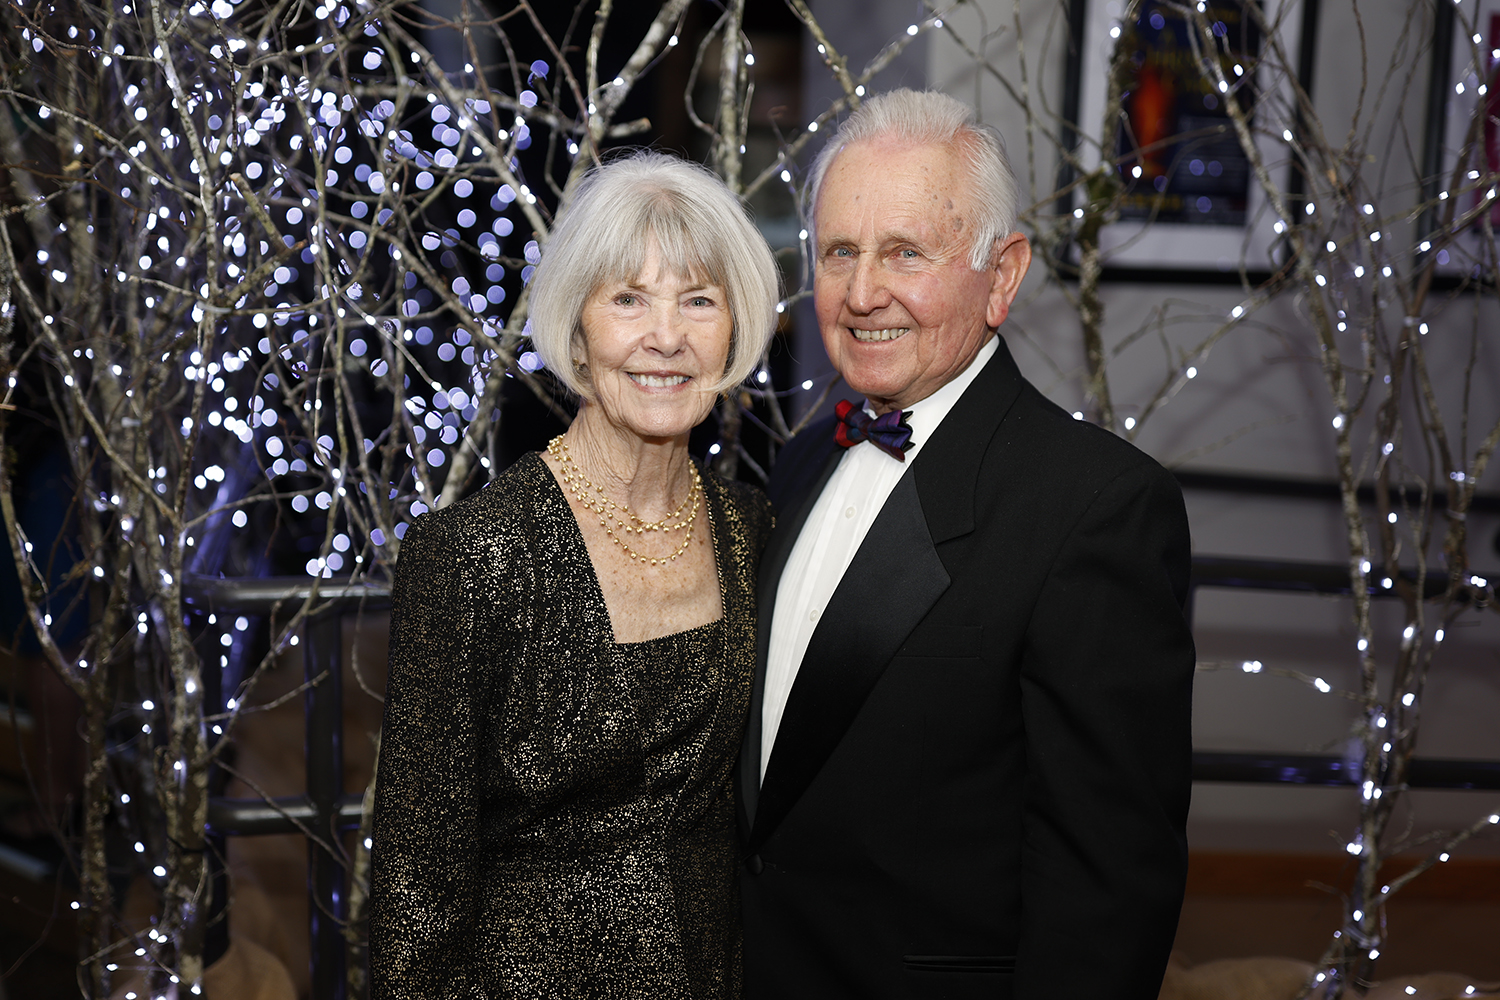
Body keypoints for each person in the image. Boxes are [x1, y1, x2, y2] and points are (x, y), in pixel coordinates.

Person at [738, 89, 1195, 999]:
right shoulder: (797, 464)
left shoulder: (1097, 507)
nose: (862, 294)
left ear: (1002, 276)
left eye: (906, 252)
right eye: (839, 252)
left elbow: (1107, 890)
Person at [370, 150, 780, 999]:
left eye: (698, 300)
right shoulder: (474, 555)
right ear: (579, 332)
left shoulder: (749, 529)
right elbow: (416, 907)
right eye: (628, 299)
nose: (666, 336)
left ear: (734, 329)